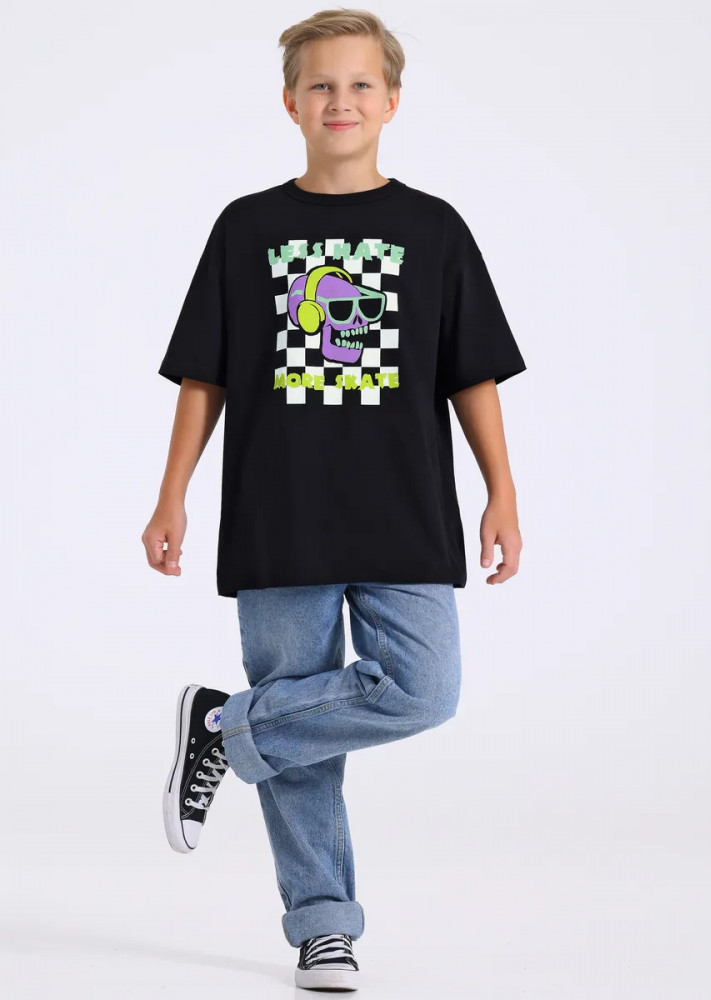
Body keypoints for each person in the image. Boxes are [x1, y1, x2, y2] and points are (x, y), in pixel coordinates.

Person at [143, 8, 527, 992]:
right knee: (304, 749)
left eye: (360, 84)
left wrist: (502, 491)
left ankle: (228, 726)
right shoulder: (247, 228)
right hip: (280, 511)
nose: (340, 100)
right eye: (321, 84)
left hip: (406, 510)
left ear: (392, 101)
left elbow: (471, 373)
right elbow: (204, 376)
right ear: (290, 103)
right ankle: (323, 926)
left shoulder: (433, 229)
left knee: (424, 687)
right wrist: (172, 494)